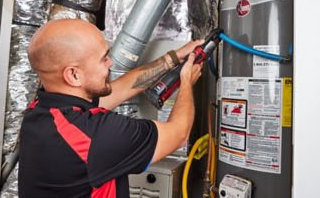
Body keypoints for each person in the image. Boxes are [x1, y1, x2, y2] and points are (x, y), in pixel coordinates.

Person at [18, 18, 204, 198]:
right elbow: (179, 134)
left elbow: (121, 89)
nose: (111, 63)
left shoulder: (40, 112)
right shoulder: (95, 136)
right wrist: (186, 80)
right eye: (103, 59)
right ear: (73, 75)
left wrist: (172, 59)